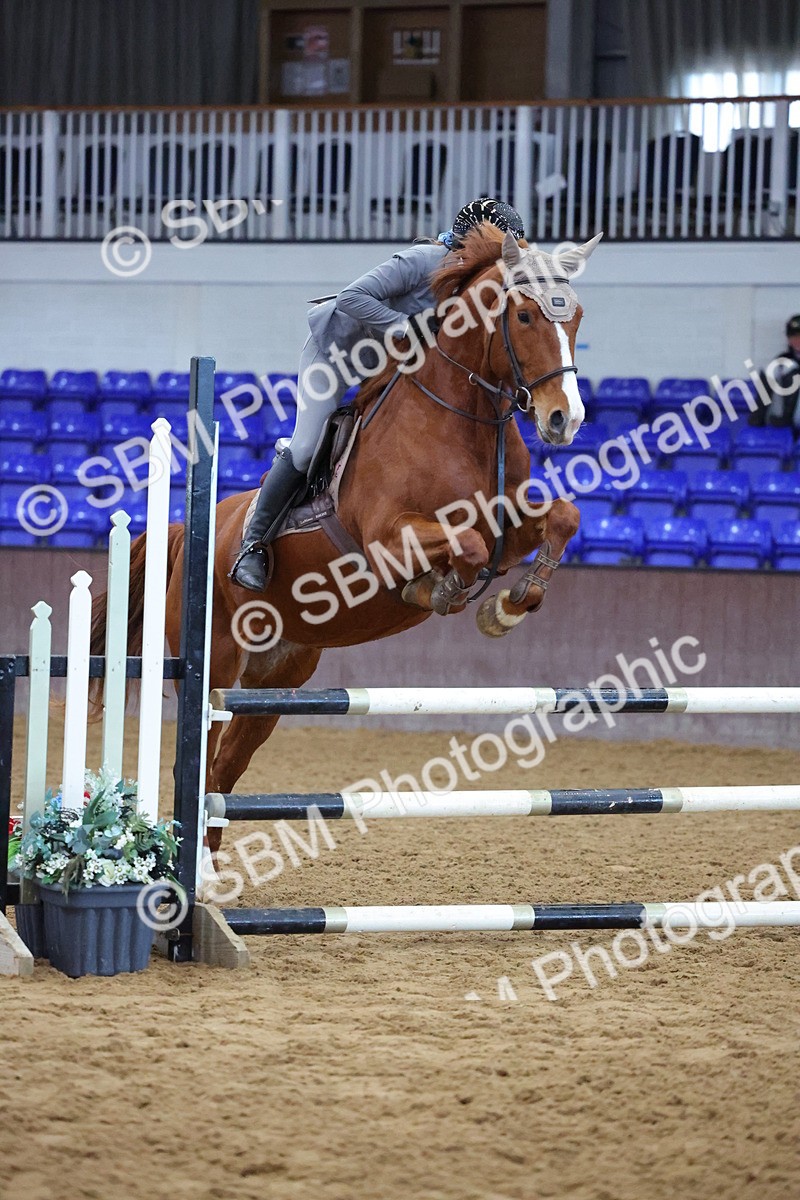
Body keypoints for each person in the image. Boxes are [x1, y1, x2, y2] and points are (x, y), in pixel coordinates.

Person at [230, 197, 526, 591]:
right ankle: (253, 545)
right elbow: (353, 297)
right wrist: (404, 326)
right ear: (474, 240)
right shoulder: (422, 260)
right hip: (337, 356)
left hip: (390, 368)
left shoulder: (474, 288)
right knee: (304, 448)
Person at [749, 314, 800, 427]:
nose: (797, 340)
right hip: (791, 410)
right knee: (771, 370)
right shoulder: (784, 358)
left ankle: (786, 420)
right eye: (793, 336)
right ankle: (758, 417)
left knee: (791, 372)